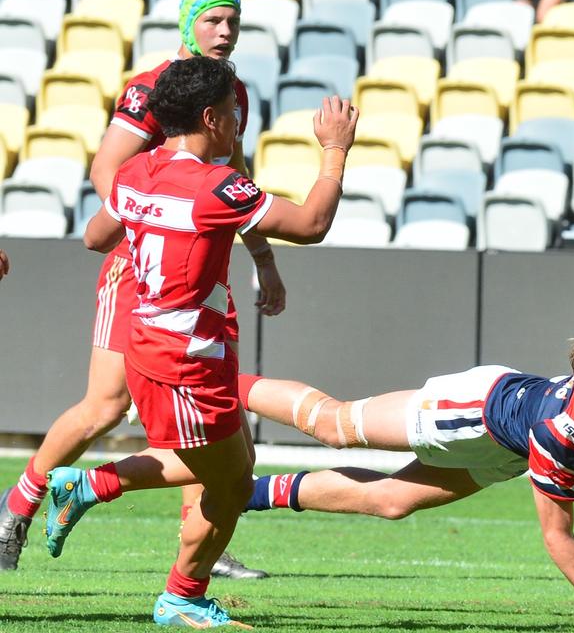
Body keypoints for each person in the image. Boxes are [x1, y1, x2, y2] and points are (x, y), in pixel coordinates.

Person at [54, 330, 574, 625]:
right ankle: (221, 389)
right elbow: (557, 535)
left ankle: (238, 493)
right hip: (468, 410)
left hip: (502, 443)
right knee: (333, 422)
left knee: (389, 504)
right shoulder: (562, 435)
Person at [45, 57, 358, 628]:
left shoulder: (135, 173)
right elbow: (311, 224)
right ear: (212, 118)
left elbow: (96, 237)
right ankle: (181, 597)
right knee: (231, 483)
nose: (239, 119)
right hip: (184, 357)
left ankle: (89, 485)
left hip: (152, 343)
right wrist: (335, 149)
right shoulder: (220, 186)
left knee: (230, 464)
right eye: (234, 110)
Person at [0, 0, 283, 578]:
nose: (225, 32)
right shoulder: (150, 87)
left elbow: (235, 177)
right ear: (187, 26)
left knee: (208, 401)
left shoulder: (233, 92)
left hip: (201, 272)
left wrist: (262, 258)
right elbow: (108, 165)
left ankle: (202, 535)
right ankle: (18, 504)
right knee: (106, 406)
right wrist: (146, 224)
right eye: (212, 21)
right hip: (140, 266)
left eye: (233, 21)